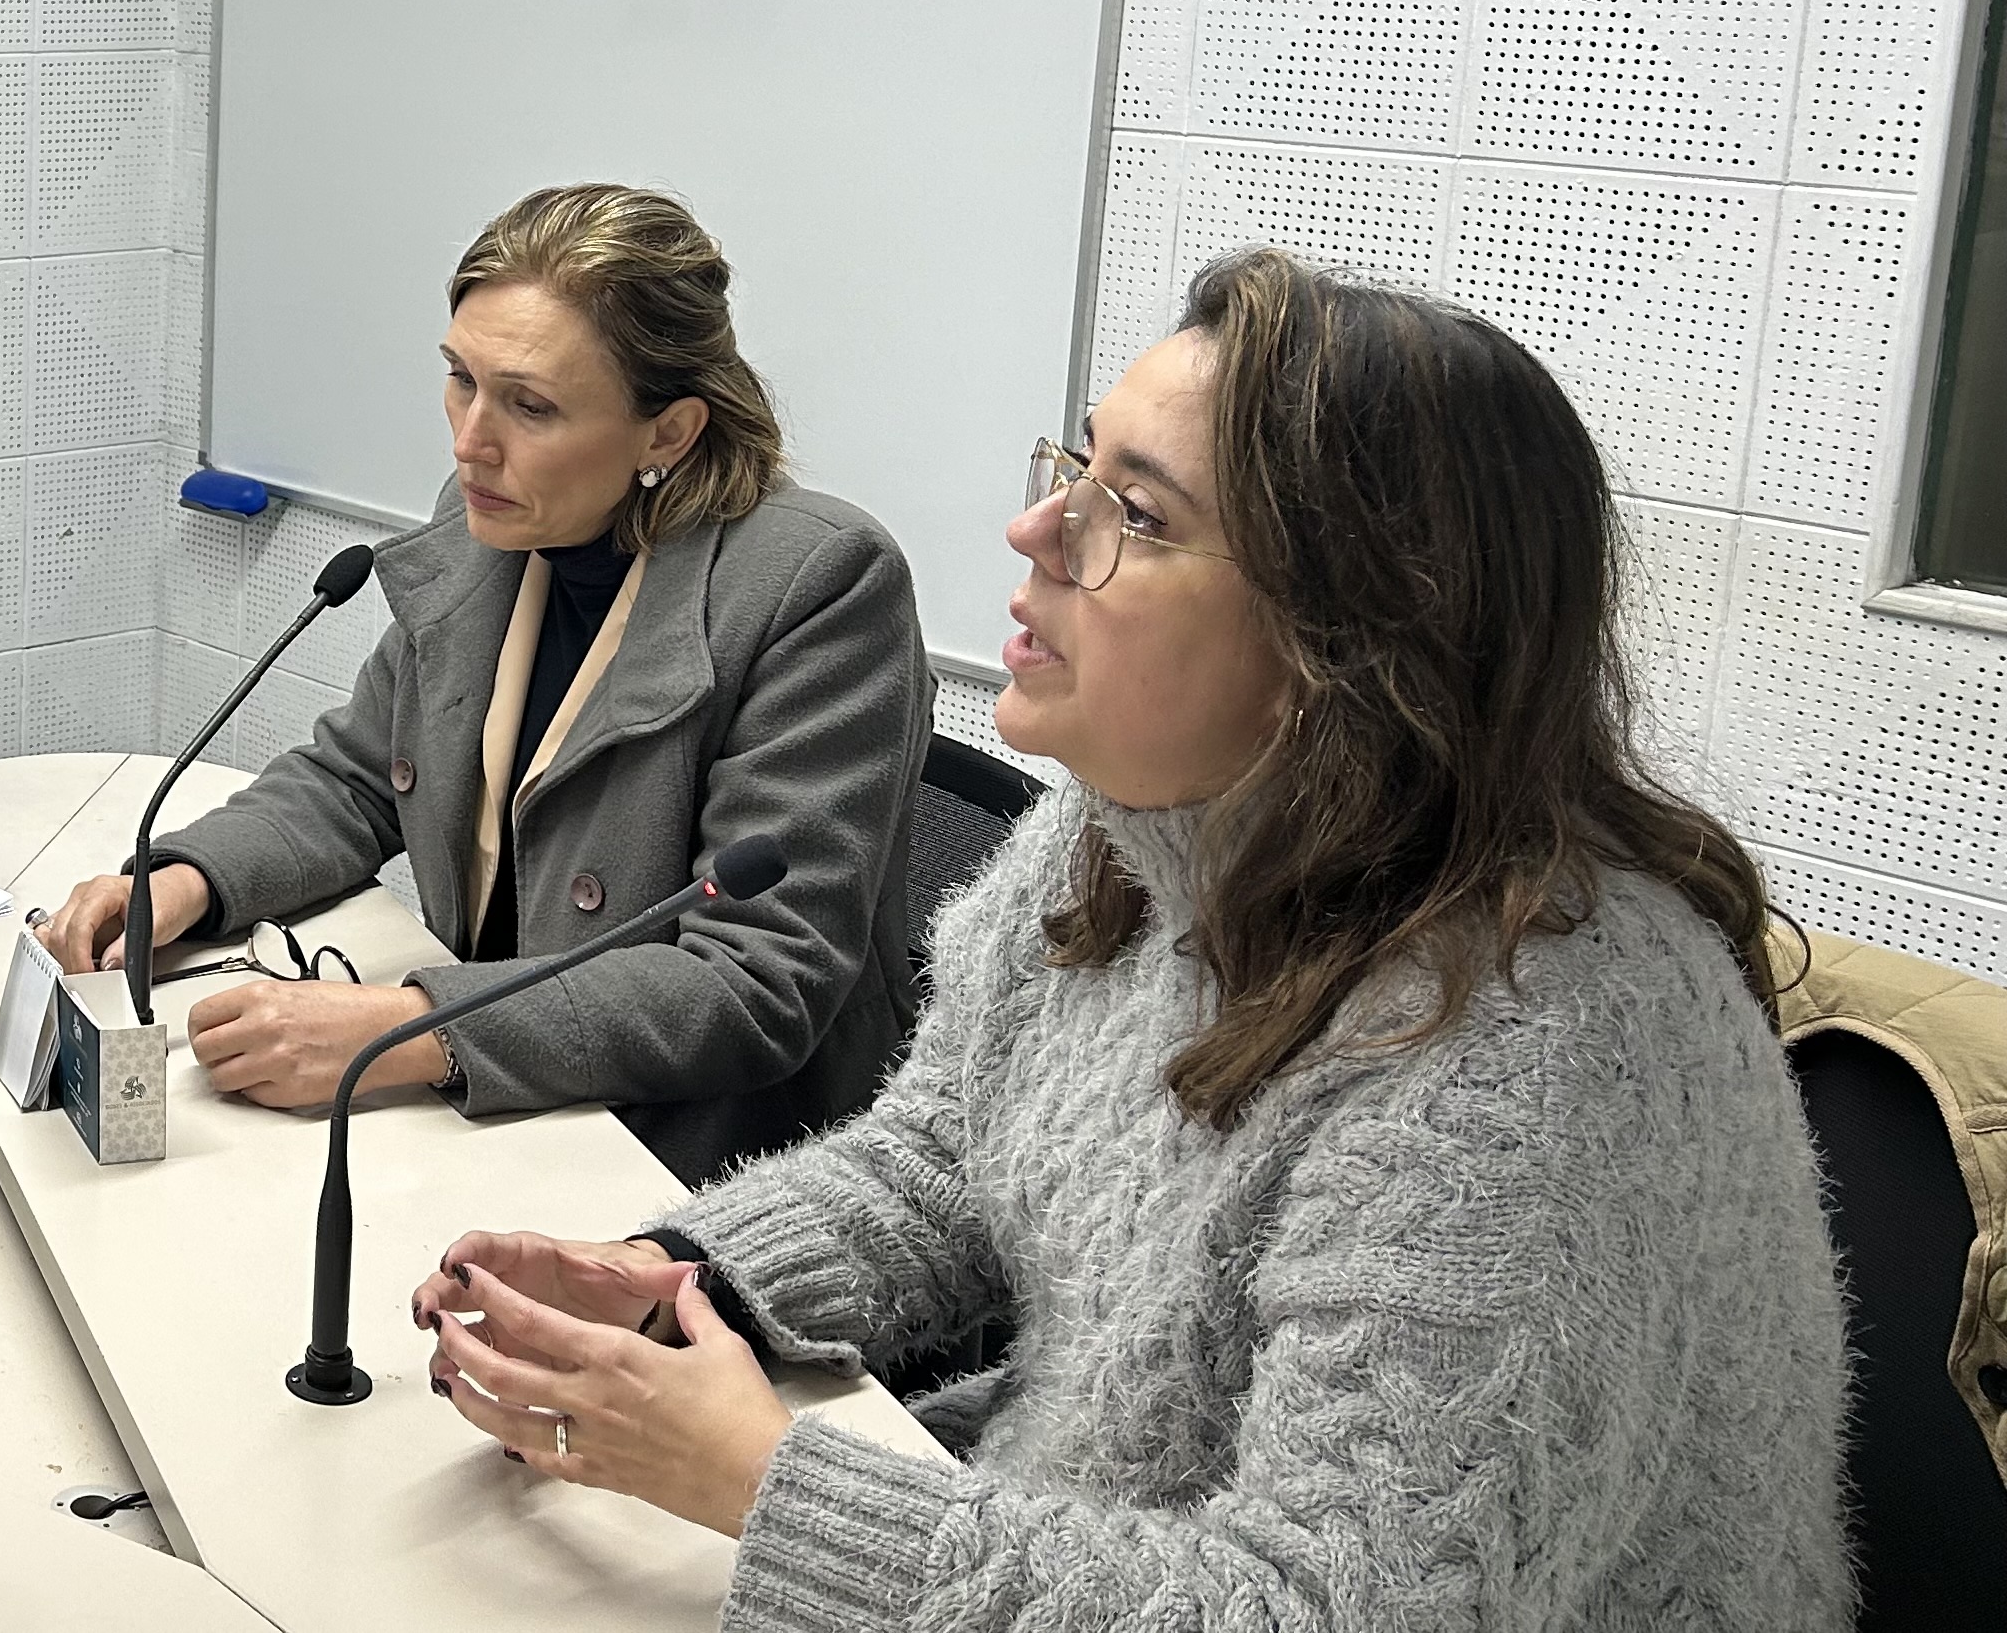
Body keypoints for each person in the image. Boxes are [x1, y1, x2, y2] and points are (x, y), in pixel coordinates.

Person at [403, 249, 1849, 1630]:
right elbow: (946, 1168)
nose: (1038, 531)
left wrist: (760, 1478)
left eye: (1139, 517)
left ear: (1347, 646)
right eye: (1076, 468)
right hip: (1080, 1524)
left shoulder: (1526, 1049)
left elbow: (1337, 1608)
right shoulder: (1122, 830)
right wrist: (680, 1280)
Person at [39, 184, 927, 1182]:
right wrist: (186, 881)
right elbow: (362, 777)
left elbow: (756, 984)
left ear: (669, 434)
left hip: (696, 1166)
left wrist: (408, 1027)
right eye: (461, 379)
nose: (470, 442)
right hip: (499, 1102)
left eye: (530, 406)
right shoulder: (490, 525)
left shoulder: (820, 584)